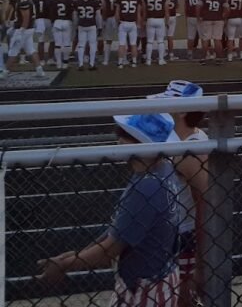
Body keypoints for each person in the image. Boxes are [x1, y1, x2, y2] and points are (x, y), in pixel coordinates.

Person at [36, 112, 181, 306]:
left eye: (124, 135)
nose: (119, 141)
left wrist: (63, 264)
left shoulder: (145, 187)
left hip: (144, 288)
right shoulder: (162, 170)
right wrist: (72, 256)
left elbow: (111, 248)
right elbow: (119, 230)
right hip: (158, 277)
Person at [150, 81, 209, 306]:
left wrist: (202, 265)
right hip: (173, 235)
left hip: (182, 239)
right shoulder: (184, 140)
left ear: (183, 111)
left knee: (180, 300)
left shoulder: (189, 151)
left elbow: (207, 205)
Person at [5, 0, 44, 77]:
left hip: (24, 30)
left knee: (13, 50)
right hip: (27, 29)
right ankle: (39, 70)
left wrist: (20, 31)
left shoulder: (24, 2)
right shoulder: (27, 0)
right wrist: (14, 25)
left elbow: (26, 19)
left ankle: (4, 72)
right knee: (31, 49)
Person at [197, 0, 228, 65]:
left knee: (206, 39)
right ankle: (219, 58)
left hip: (207, 19)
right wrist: (224, 17)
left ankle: (203, 58)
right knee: (217, 40)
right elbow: (227, 9)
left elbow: (198, 6)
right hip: (218, 19)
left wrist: (199, 16)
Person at [116, 0, 144, 68]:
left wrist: (118, 22)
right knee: (133, 44)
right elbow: (138, 13)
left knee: (121, 44)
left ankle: (120, 63)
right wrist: (139, 24)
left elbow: (117, 13)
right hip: (132, 24)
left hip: (123, 23)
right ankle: (134, 62)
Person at [75, 0, 102, 71]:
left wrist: (76, 26)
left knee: (81, 45)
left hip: (81, 25)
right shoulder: (95, 2)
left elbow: (75, 16)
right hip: (91, 25)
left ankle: (80, 64)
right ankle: (91, 64)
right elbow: (98, 16)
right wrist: (100, 26)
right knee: (93, 44)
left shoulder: (77, 2)